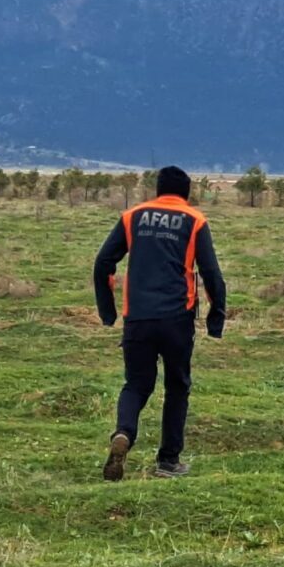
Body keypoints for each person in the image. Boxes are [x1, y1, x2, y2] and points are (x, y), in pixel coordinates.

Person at [93, 165, 226, 480]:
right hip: (177, 319)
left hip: (137, 317)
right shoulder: (195, 221)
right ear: (186, 192)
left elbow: (103, 263)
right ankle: (168, 462)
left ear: (157, 189)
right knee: (177, 386)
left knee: (136, 384)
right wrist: (215, 319)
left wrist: (107, 312)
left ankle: (123, 433)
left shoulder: (133, 217)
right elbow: (212, 276)